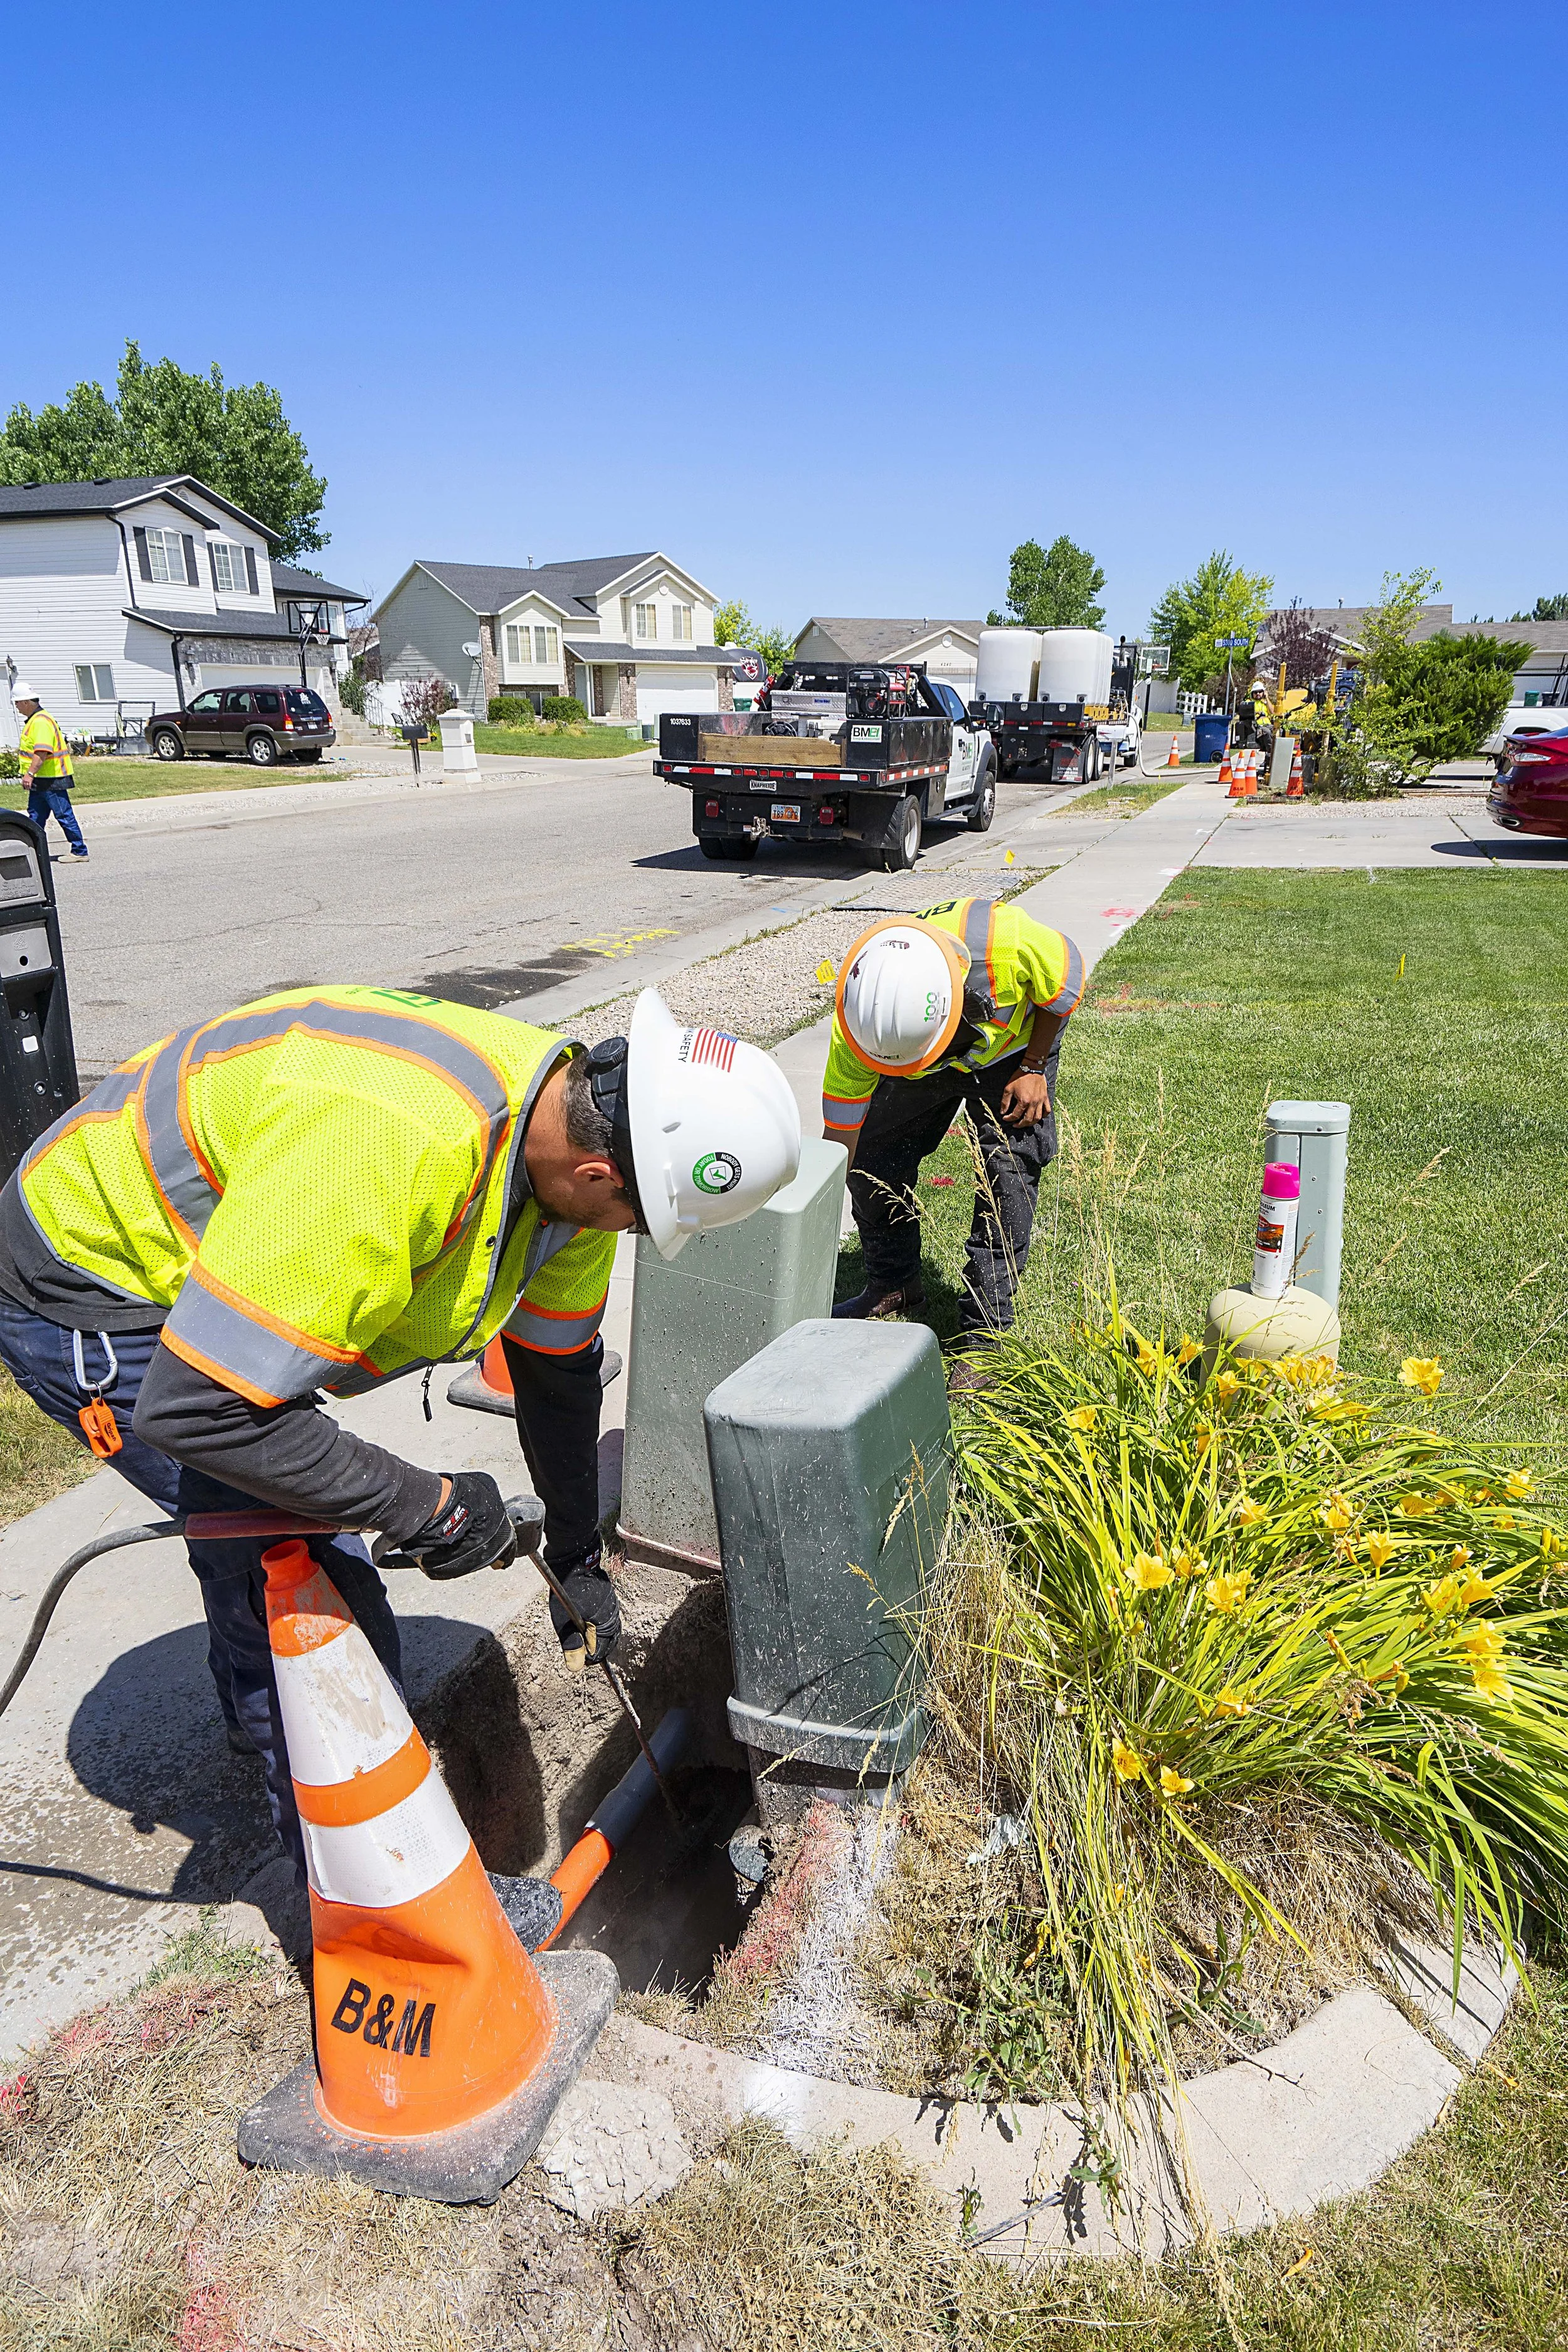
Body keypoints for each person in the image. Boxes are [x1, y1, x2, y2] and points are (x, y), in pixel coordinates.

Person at [0, 984, 799, 1932]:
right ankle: (376, 1911)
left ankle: (275, 1742)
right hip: (98, 1281)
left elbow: (555, 1376)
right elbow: (204, 1406)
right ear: (598, 1173)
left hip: (254, 1261)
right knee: (305, 1578)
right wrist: (422, 1501)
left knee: (287, 1535)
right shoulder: (393, 1142)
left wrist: (578, 1556)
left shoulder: (564, 1148)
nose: (624, 1239)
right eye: (635, 1222)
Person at [824, 898, 1083, 1390]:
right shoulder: (863, 1023)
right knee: (874, 1155)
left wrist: (1033, 1067)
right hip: (921, 1051)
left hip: (1013, 1053)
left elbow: (1066, 984)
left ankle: (985, 1338)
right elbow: (839, 1143)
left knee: (1008, 1175)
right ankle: (894, 1284)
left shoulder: (1008, 944)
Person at [11, 681, 88, 860]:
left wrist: (30, 773)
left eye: (17, 703)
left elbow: (42, 751)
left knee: (63, 815)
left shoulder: (40, 722)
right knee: (35, 816)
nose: (16, 707)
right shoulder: (36, 720)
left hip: (51, 778)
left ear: (26, 702)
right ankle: (33, 851)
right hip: (43, 778)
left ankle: (79, 851)